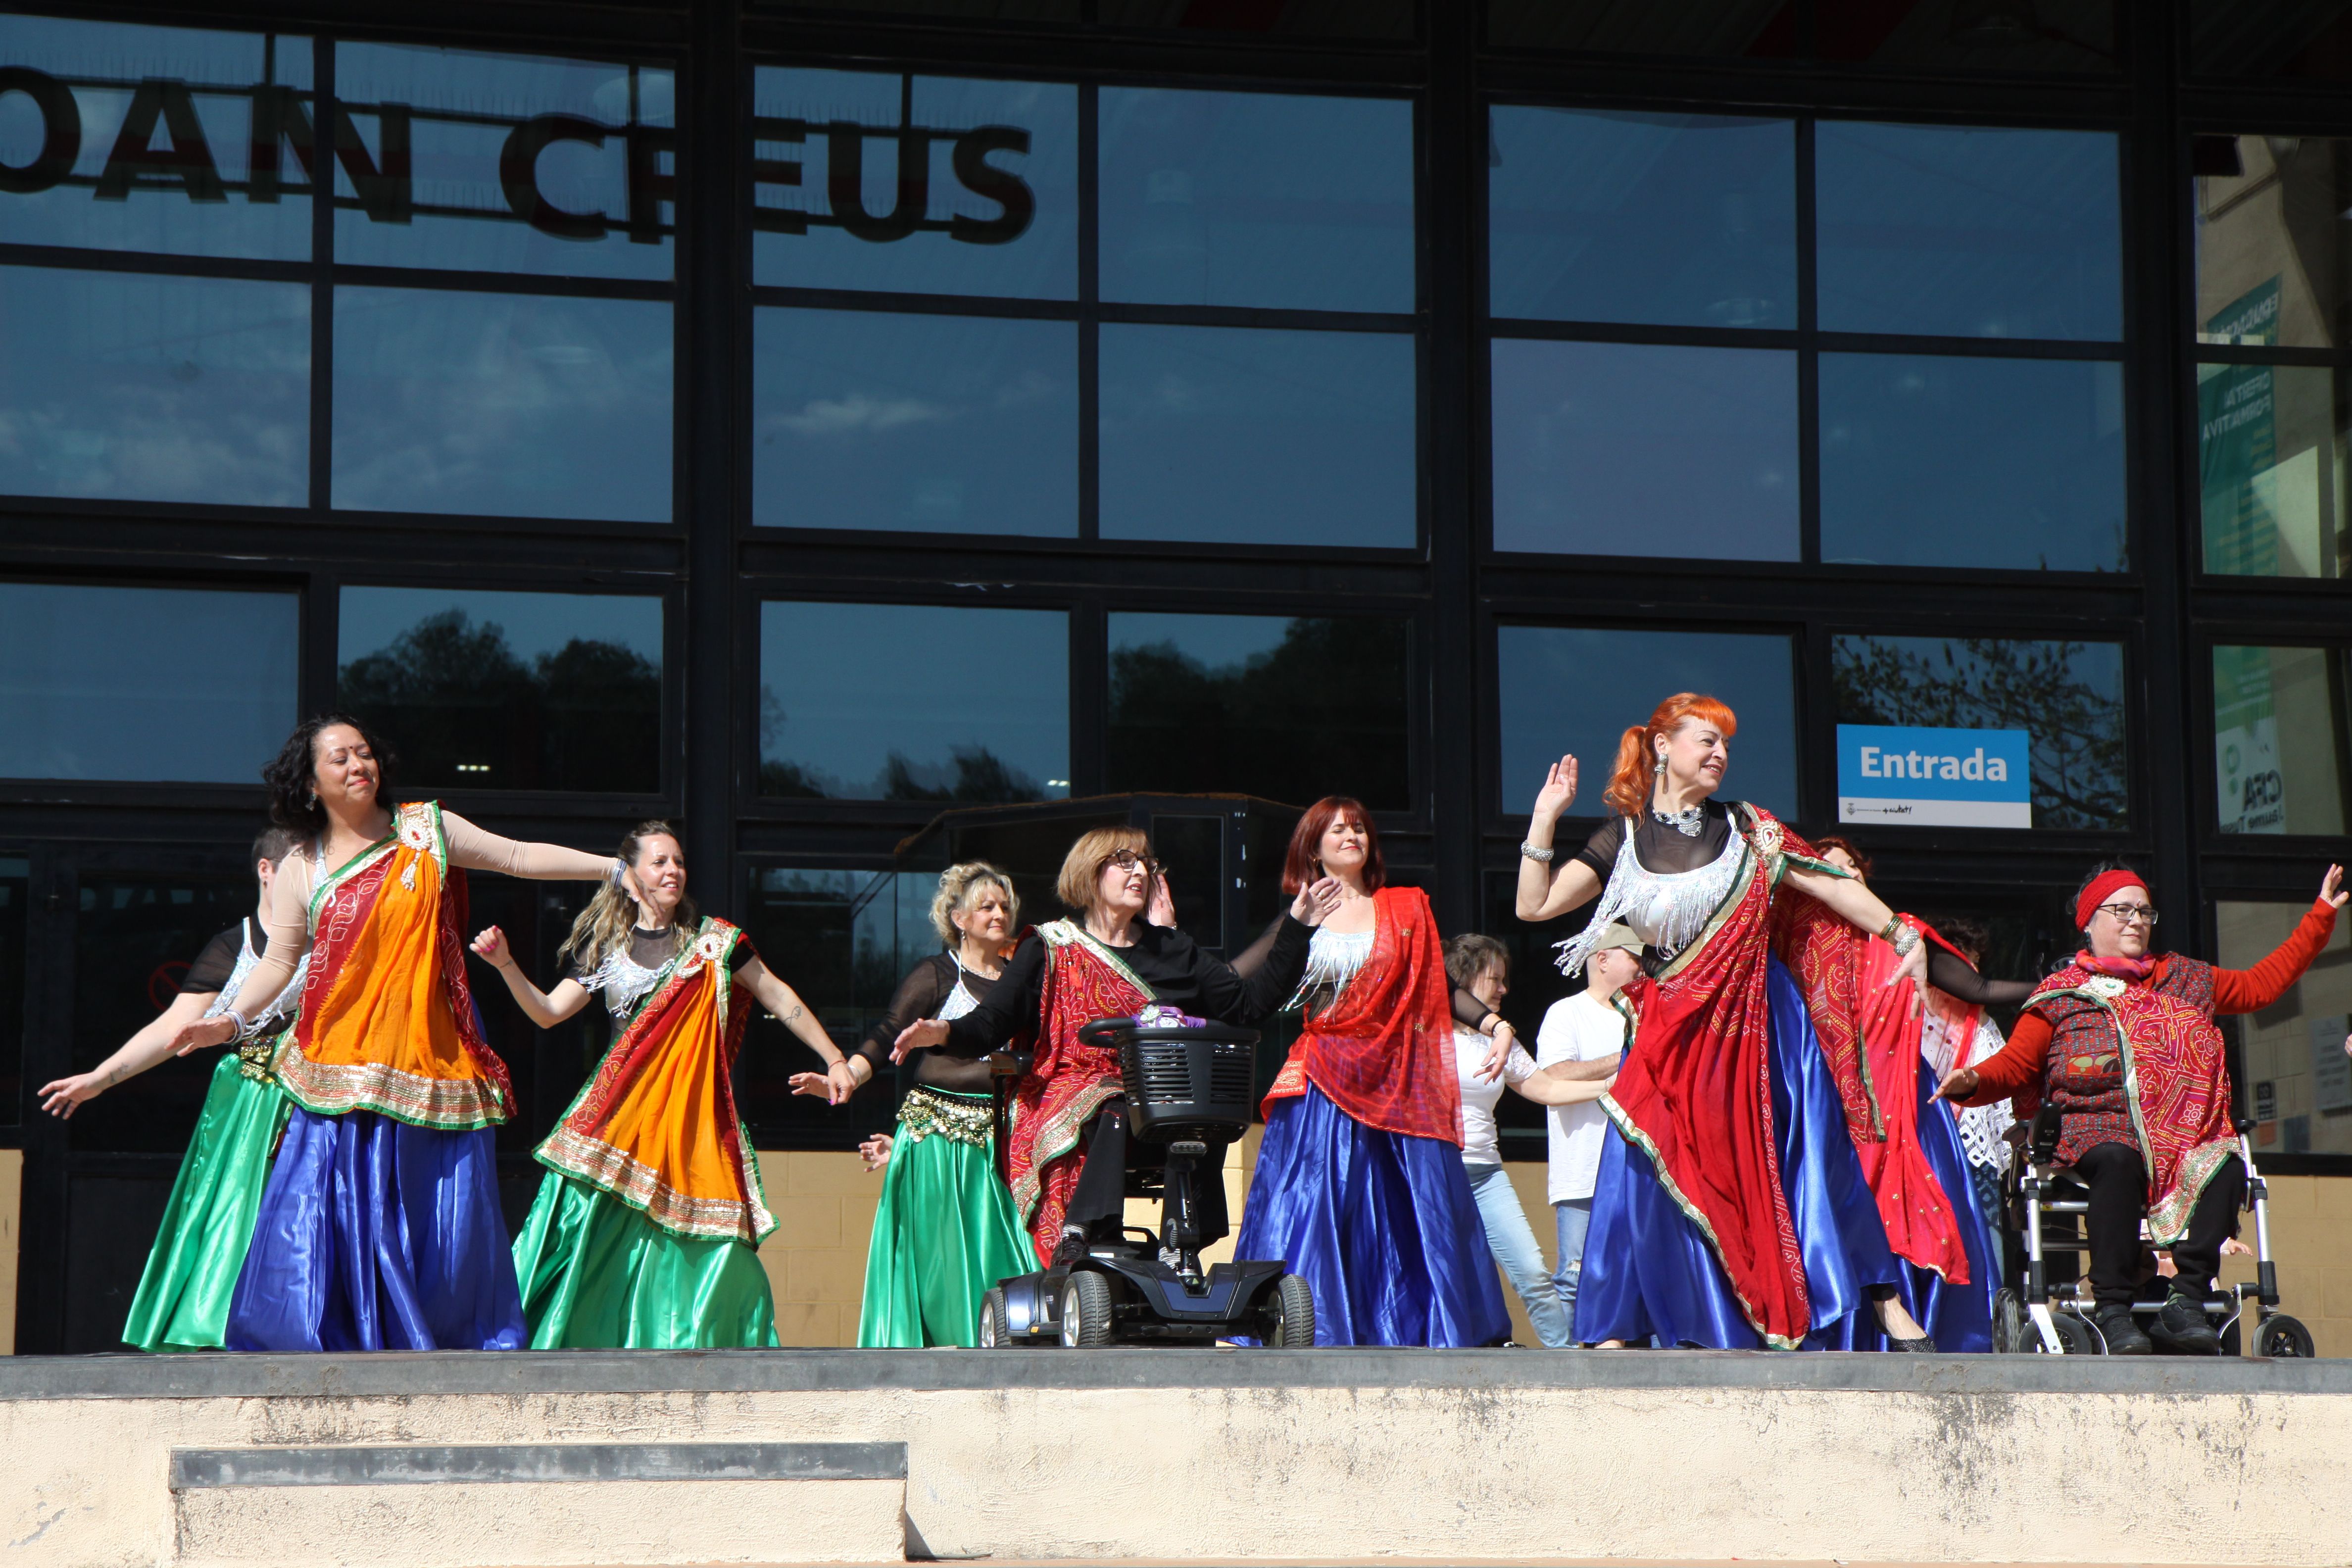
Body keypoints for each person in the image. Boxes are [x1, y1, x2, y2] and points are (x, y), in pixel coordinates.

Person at [1516, 693, 1969, 1352]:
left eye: (1726, 744)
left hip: (1760, 1024)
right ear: (1663, 745)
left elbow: (1829, 883)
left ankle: (1887, 1304)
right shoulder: (1624, 838)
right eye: (1707, 740)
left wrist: (1901, 933)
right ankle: (1626, 1322)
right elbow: (1534, 907)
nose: (1721, 754)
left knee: (1815, 1158)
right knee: (1644, 1160)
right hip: (1673, 1030)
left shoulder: (1749, 828)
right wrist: (1544, 818)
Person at [169, 715, 637, 1353]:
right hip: (337, 1065)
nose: (358, 766)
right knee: (322, 1207)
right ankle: (328, 1334)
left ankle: (433, 1333)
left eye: (364, 753)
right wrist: (230, 1019)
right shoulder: (301, 867)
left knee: (433, 1210)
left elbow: (517, 857)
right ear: (310, 785)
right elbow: (279, 963)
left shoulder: (426, 831)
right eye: (339, 758)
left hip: (428, 1058)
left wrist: (615, 870)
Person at [1936, 862, 2344, 1354]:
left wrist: (2320, 917)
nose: (2135, 920)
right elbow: (2016, 1065)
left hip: (2186, 1133)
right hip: (2096, 1128)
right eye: (2121, 910)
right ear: (2089, 923)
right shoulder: (2061, 994)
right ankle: (2113, 1310)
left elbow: (2263, 985)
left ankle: (2186, 1302)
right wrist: (1973, 1080)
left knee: (2226, 1165)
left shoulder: (2188, 978)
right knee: (2118, 1156)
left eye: (2144, 911)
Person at [470, 822, 847, 1349]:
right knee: (585, 1236)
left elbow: (779, 997)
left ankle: (705, 1345)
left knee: (716, 1246)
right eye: (660, 862)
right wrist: (506, 965)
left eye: (679, 862)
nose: (673, 871)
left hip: (688, 1123)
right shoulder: (608, 948)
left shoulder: (715, 945)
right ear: (630, 875)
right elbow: (549, 1012)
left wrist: (836, 1059)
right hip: (618, 1122)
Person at [894, 825, 1334, 1269]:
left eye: (1145, 863)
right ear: (1090, 872)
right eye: (1124, 862)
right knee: (1116, 1102)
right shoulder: (1049, 948)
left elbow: (1247, 1005)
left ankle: (1178, 1242)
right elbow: (992, 1023)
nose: (1139, 871)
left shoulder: (1173, 949)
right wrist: (943, 1032)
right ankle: (1080, 1229)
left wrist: (1298, 929)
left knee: (1198, 1109)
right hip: (1075, 1090)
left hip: (1160, 1094)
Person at [1230, 799, 1511, 1348]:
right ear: (1313, 849)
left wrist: (1494, 1023)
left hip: (1395, 1081)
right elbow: (1234, 983)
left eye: (1359, 827)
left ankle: (1413, 1326)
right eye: (1337, 829)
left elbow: (1438, 985)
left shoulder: (1403, 909)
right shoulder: (1300, 917)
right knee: (1320, 1205)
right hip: (1322, 1084)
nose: (1352, 835)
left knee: (1404, 1209)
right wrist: (1167, 946)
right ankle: (1311, 1324)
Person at [40, 828, 308, 1352]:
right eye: (301, 868)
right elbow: (172, 1028)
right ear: (267, 870)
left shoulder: (336, 939)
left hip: (323, 1097)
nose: (312, 881)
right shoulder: (234, 945)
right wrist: (101, 1078)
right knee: (237, 1210)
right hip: (252, 1102)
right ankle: (225, 1325)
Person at [1775, 837, 2029, 1353]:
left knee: (1932, 1220)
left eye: (1853, 866)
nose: (1846, 874)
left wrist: (2069, 983)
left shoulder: (1903, 935)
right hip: (1828, 1103)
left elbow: (1978, 991)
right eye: (1830, 868)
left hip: (1908, 1107)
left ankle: (1933, 1333)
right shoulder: (1793, 944)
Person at [802, 862, 1035, 1349]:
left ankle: (1004, 1348)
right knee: (939, 1258)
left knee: (1004, 1248)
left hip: (1002, 1138)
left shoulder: (1020, 984)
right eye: (986, 906)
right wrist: (846, 1076)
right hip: (936, 1138)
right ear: (959, 918)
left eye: (1004, 906)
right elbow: (889, 1034)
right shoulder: (937, 974)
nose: (999, 914)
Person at [1444, 933, 1614, 1348]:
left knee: (1533, 1274)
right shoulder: (1423, 1033)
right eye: (1495, 979)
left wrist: (1615, 1086)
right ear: (1463, 978)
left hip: (1486, 1174)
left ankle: (1567, 1363)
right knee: (1442, 1274)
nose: (1504, 989)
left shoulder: (1499, 1041)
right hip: (1435, 1171)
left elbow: (1547, 1089)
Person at [1531, 921, 1642, 1332]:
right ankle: (1564, 1366)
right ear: (1603, 959)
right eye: (1634, 958)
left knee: (1641, 1276)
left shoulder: (1645, 1013)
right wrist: (1625, 1058)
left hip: (1639, 1172)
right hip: (1583, 1171)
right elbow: (1554, 1075)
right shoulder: (1567, 1012)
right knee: (1574, 1278)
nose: (1642, 967)